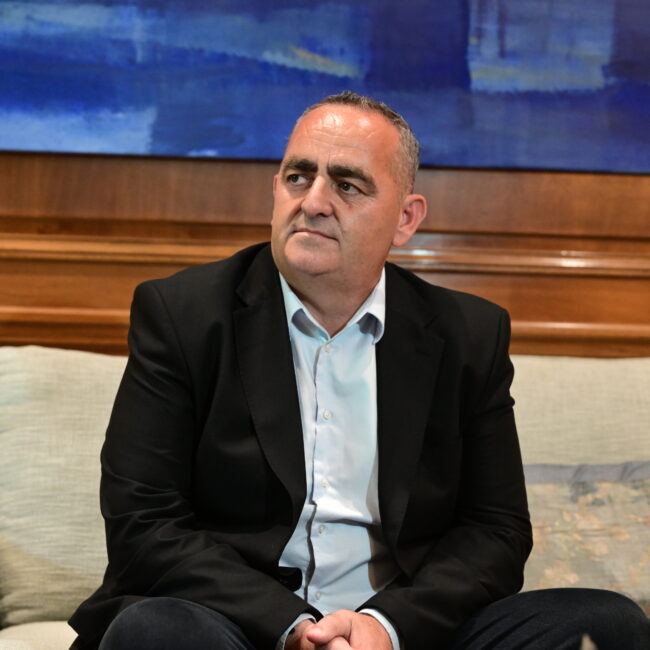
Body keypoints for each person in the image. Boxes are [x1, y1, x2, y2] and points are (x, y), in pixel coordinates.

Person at [69, 92, 648, 650]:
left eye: (347, 185)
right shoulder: (184, 315)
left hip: (401, 630)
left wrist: (384, 627)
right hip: (237, 625)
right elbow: (143, 524)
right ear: (276, 189)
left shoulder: (467, 335)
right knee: (157, 631)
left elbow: (496, 531)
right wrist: (294, 627)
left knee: (606, 622)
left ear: (405, 219)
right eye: (299, 177)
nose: (314, 202)